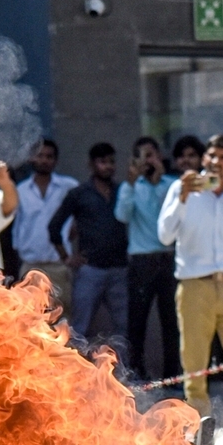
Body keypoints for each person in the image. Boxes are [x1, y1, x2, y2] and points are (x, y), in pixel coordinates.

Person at [157, 134, 223, 417]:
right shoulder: (182, 188)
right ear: (204, 159)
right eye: (212, 156)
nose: (216, 162)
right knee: (195, 369)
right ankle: (198, 433)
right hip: (195, 287)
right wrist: (182, 197)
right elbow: (164, 235)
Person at [50, 143, 130, 341]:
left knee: (124, 328)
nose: (108, 166)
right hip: (90, 271)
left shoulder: (123, 191)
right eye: (102, 162)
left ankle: (125, 370)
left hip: (120, 270)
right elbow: (54, 226)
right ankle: (77, 370)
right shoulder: (79, 194)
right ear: (92, 165)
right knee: (80, 328)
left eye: (111, 162)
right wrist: (67, 257)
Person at [116, 137, 179, 382]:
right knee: (137, 321)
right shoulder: (130, 186)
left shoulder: (170, 185)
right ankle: (137, 376)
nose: (148, 161)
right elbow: (122, 215)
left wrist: (158, 180)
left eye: (152, 154)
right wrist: (132, 183)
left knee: (171, 322)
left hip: (168, 259)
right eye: (143, 156)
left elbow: (173, 216)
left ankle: (173, 377)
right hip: (142, 261)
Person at [14, 139, 79, 315]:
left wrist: (75, 225)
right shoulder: (20, 190)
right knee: (28, 318)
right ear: (31, 159)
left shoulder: (69, 186)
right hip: (30, 266)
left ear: (55, 160)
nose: (44, 160)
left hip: (58, 265)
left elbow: (82, 213)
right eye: (40, 156)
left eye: (49, 157)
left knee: (61, 318)